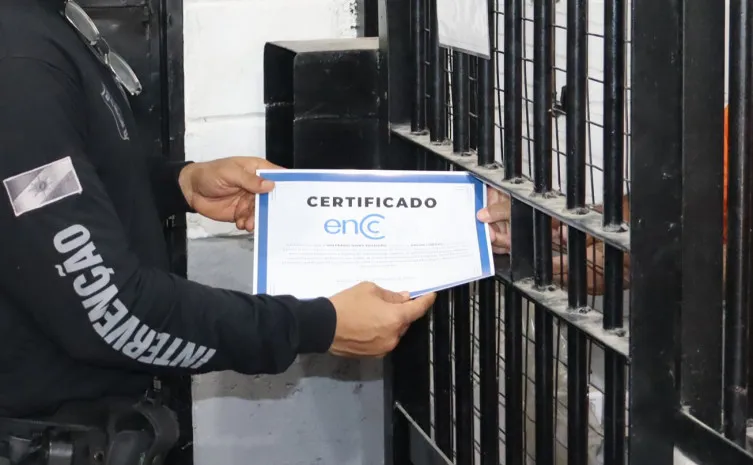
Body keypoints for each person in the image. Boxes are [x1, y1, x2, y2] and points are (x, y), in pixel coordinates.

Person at [0, 0, 436, 461]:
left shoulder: (43, 25)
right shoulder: (19, 56)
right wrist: (315, 326)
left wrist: (179, 183)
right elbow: (108, 310)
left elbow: (55, 188)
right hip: (41, 439)